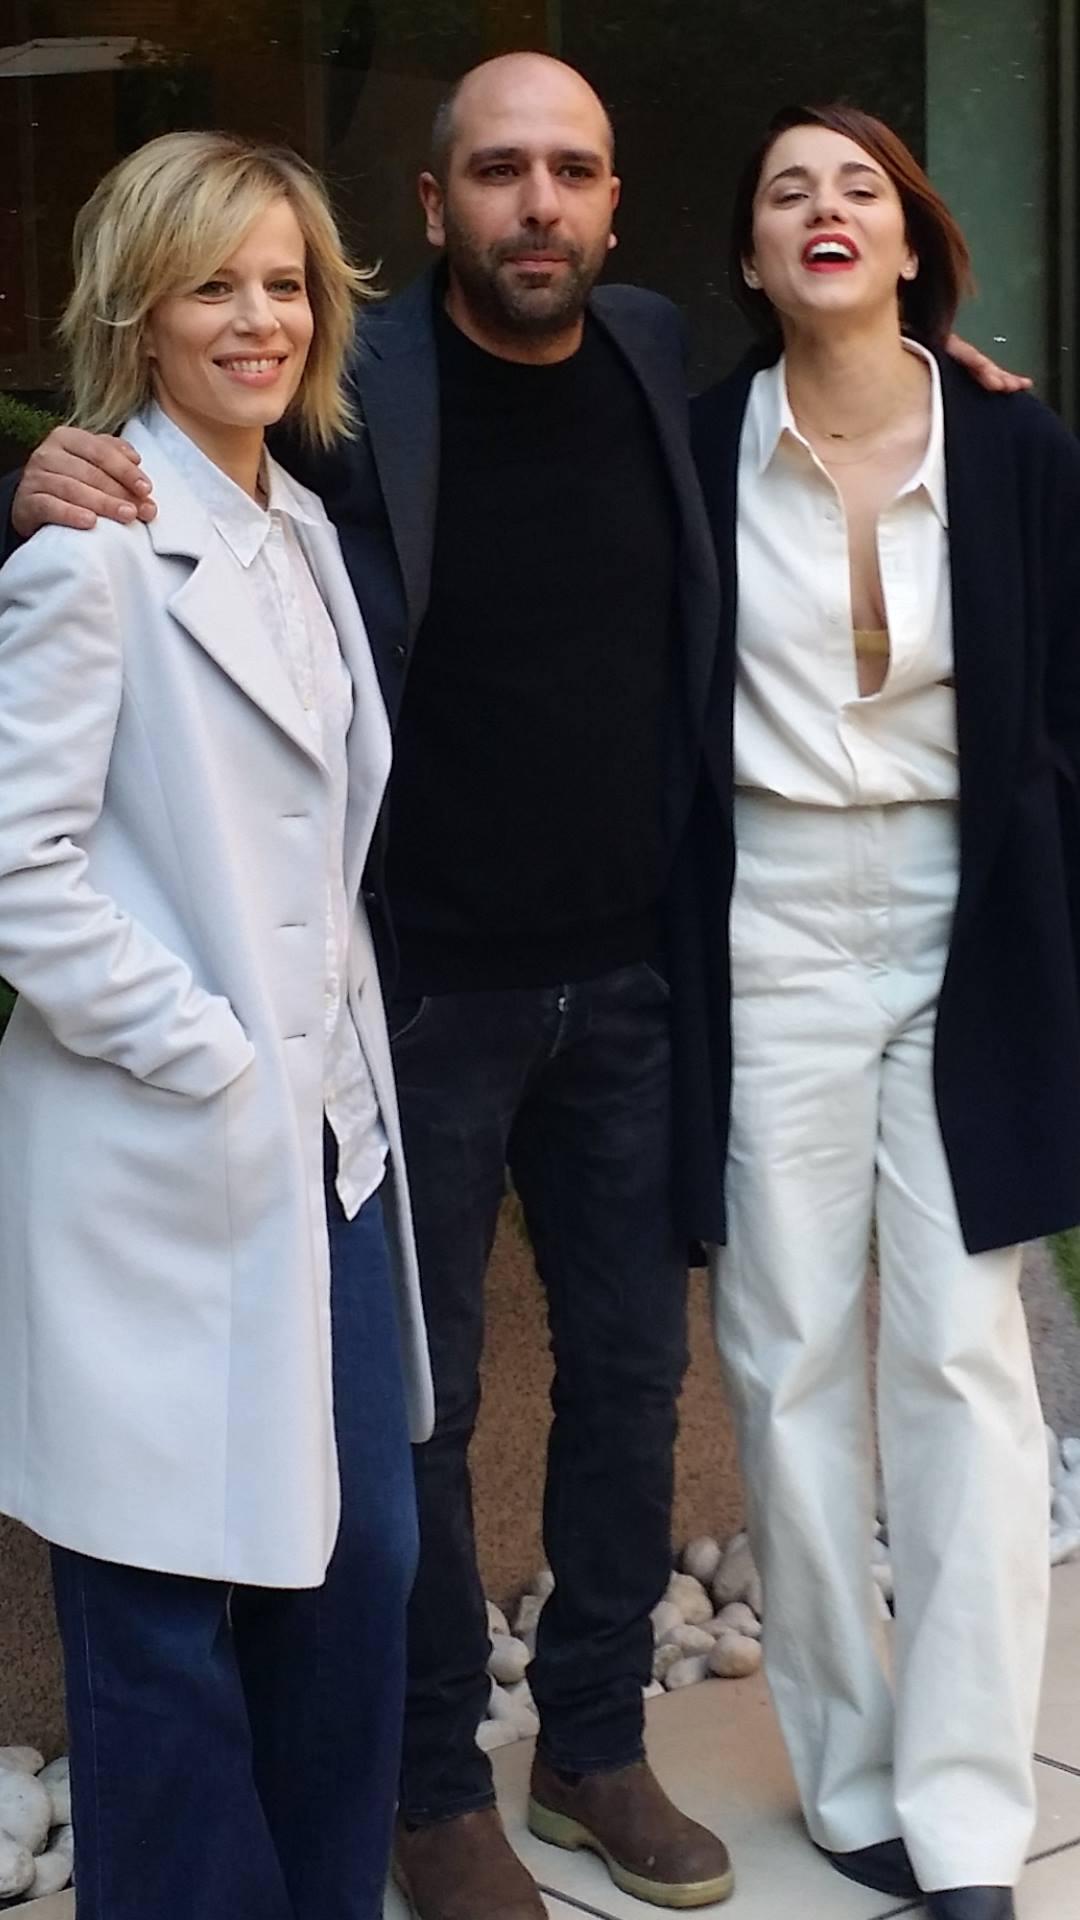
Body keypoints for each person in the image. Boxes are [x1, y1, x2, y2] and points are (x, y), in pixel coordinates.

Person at [4, 56, 1021, 1920]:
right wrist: (29, 474)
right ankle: (426, 1790)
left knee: (634, 1378)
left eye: (571, 170)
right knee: (428, 1412)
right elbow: (145, 507)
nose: (536, 204)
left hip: (633, 976)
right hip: (419, 998)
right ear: (433, 204)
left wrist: (934, 370)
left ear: (618, 207)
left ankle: (595, 1744)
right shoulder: (345, 389)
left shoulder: (652, 357)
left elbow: (836, 396)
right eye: (498, 171)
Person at [0, 130, 432, 1920]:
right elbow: (15, 870)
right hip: (168, 1154)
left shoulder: (305, 531)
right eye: (212, 285)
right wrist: (212, 1053)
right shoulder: (91, 554)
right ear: (139, 314)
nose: (258, 318)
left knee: (361, 1570)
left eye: (284, 282)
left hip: (335, 1157)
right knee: (160, 1616)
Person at [682, 104, 1080, 1920]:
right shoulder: (694, 444)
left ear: (911, 244)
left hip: (958, 915)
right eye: (788, 192)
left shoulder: (1014, 445)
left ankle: (971, 1814)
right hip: (767, 915)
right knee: (783, 1356)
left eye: (861, 189)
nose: (825, 210)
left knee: (964, 1364)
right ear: (753, 258)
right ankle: (849, 1776)